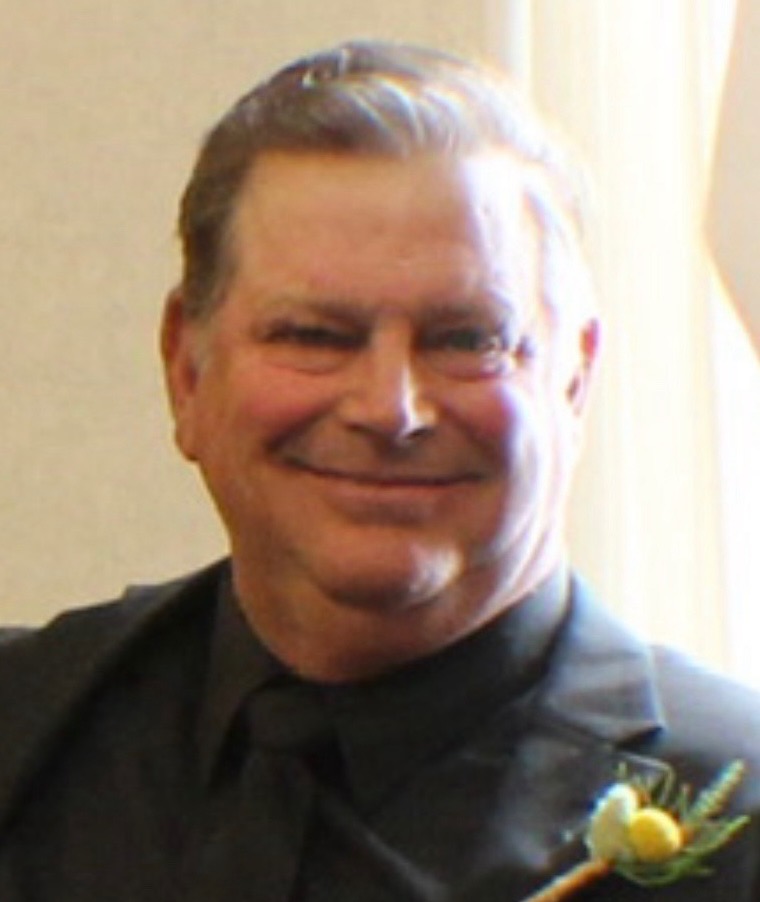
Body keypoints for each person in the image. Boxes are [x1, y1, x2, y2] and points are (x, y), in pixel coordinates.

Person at [0, 40, 757, 902]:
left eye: (466, 339)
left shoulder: (739, 813)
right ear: (187, 370)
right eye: (314, 336)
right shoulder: (29, 733)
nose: (391, 409)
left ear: (574, 378)